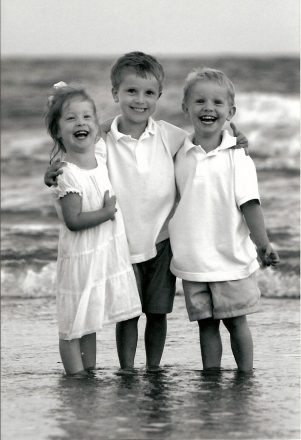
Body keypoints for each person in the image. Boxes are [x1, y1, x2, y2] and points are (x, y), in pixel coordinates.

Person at [44, 52, 249, 374]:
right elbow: (77, 156)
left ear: (158, 97)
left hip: (161, 240)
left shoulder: (170, 135)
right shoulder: (103, 138)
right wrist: (51, 174)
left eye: (149, 93)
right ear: (116, 94)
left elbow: (205, 141)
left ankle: (152, 366)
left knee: (157, 313)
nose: (140, 100)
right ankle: (127, 368)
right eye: (131, 92)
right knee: (127, 313)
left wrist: (234, 138)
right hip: (120, 243)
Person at [168, 68, 280, 372]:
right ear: (185, 108)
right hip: (193, 259)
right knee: (206, 326)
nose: (208, 108)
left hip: (230, 256)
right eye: (200, 101)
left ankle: (246, 375)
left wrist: (263, 243)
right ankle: (211, 378)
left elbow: (251, 204)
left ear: (230, 112)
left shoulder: (238, 158)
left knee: (236, 322)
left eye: (217, 103)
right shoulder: (179, 152)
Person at [45, 82, 141, 377]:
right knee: (74, 325)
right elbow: (73, 221)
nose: (81, 123)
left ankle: (89, 372)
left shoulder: (98, 158)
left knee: (89, 322)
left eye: (87, 117)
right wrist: (106, 212)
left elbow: (115, 125)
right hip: (81, 257)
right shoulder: (68, 174)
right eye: (71, 118)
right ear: (58, 131)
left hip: (99, 255)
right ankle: (75, 377)